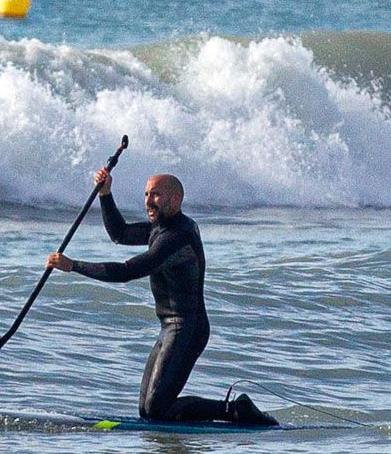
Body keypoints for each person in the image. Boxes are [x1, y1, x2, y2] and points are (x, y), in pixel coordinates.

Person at [49, 168, 275, 426]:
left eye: (156, 195)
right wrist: (106, 195)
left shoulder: (177, 237)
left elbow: (127, 271)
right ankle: (220, 412)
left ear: (176, 200)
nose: (148, 201)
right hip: (169, 327)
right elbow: (120, 234)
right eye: (146, 194)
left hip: (187, 328)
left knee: (157, 408)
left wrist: (74, 265)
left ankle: (235, 409)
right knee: (148, 411)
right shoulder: (162, 228)